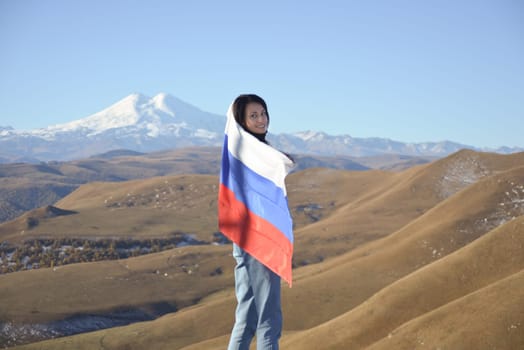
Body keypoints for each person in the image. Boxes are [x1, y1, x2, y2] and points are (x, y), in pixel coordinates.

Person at [223, 94, 294, 350]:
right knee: (269, 320)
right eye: (253, 116)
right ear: (241, 120)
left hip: (243, 240)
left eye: (263, 113)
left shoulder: (239, 149)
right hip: (259, 241)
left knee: (247, 316)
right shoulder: (254, 153)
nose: (261, 119)